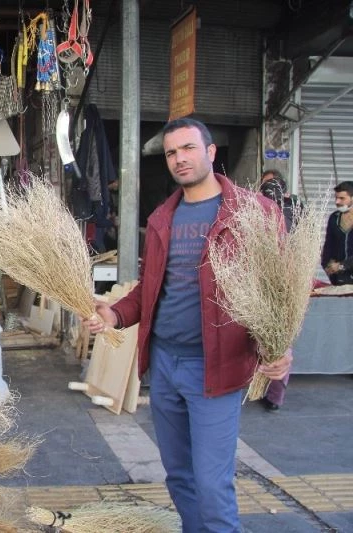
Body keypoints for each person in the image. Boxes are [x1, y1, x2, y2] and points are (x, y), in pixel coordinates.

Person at [83, 118, 292, 533]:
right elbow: (150, 288)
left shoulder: (255, 214)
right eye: (171, 153)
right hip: (164, 364)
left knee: (213, 484)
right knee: (179, 476)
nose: (180, 159)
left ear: (211, 153)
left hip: (214, 367)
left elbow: (281, 291)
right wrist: (113, 313)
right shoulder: (163, 217)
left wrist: (282, 347)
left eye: (188, 149)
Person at [257, 170, 303, 411]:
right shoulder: (294, 209)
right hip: (284, 285)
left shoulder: (264, 212)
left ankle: (270, 393)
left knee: (274, 339)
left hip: (276, 286)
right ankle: (273, 395)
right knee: (279, 340)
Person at [321, 180, 353, 286]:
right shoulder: (334, 218)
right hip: (340, 280)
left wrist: (342, 265)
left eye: (342, 198)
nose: (337, 202)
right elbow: (328, 247)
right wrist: (327, 266)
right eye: (336, 198)